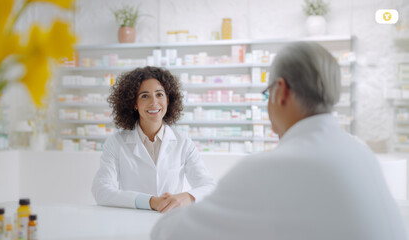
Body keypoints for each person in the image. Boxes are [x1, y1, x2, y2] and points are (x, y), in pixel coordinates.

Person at [151, 42, 407, 240]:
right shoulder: (359, 152)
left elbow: (169, 233)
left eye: (267, 93)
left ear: (281, 91)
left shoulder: (276, 166)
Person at [92, 66, 216, 212]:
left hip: (170, 222)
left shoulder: (183, 142)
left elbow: (209, 186)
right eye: (145, 95)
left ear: (168, 100)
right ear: (134, 104)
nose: (154, 102)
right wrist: (150, 201)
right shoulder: (116, 143)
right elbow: (101, 191)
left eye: (159, 94)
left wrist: (186, 197)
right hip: (131, 221)